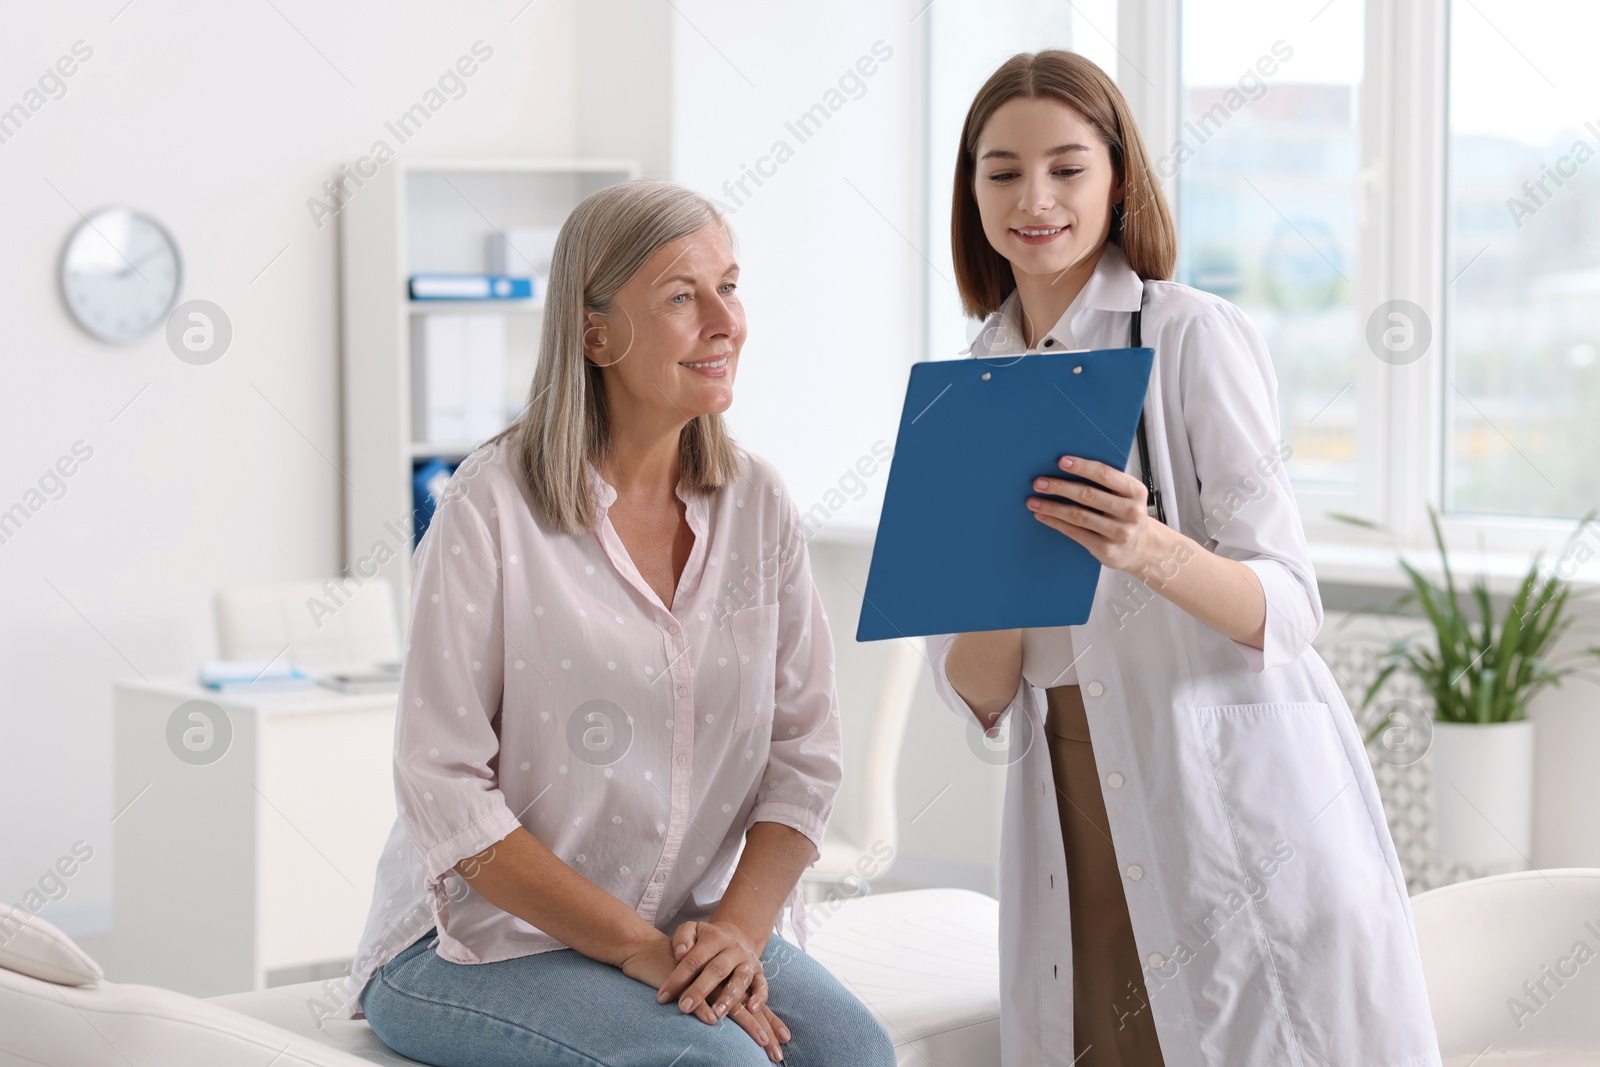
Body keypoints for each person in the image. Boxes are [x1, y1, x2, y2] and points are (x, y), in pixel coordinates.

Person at [925, 51, 1442, 1066]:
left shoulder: (1190, 335)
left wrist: (1145, 546)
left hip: (1224, 795)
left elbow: (1287, 607)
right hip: (1071, 799)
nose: (1034, 198)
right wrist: (997, 563)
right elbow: (975, 690)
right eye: (1001, 171)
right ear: (970, 189)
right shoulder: (963, 382)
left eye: (1068, 167)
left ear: (1118, 178)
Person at [336, 180, 896, 1067]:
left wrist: (739, 935)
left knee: (855, 1054)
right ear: (595, 334)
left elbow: (804, 757)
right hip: (477, 943)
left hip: (686, 926)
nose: (725, 320)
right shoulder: (492, 504)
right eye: (682, 296)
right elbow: (443, 786)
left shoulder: (758, 503)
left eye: (731, 285)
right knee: (719, 1064)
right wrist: (634, 946)